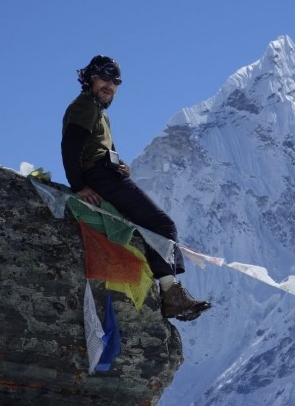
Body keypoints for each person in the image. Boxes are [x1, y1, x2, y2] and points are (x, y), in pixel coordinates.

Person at [61, 55, 211, 322]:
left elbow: (101, 150)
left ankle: (170, 291)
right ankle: (171, 294)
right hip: (100, 177)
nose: (110, 85)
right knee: (162, 224)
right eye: (104, 78)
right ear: (90, 79)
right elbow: (71, 146)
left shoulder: (98, 112)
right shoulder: (85, 106)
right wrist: (79, 185)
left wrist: (120, 165)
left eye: (115, 81)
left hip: (105, 174)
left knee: (152, 225)